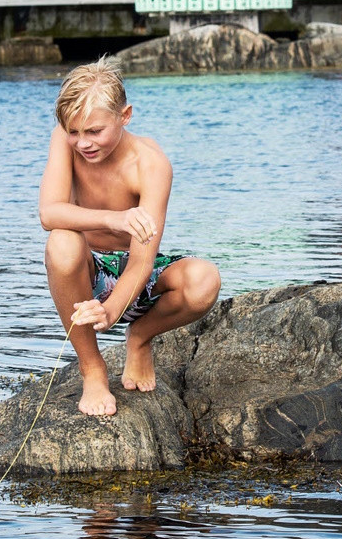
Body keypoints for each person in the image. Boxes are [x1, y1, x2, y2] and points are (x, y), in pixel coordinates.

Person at [37, 62, 222, 417]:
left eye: (95, 131)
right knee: (61, 243)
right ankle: (92, 369)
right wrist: (114, 218)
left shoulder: (150, 164)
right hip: (88, 271)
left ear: (125, 116)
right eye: (74, 132)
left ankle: (140, 337)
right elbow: (49, 213)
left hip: (138, 273)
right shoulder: (64, 139)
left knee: (204, 280)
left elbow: (142, 261)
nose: (83, 143)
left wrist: (112, 312)